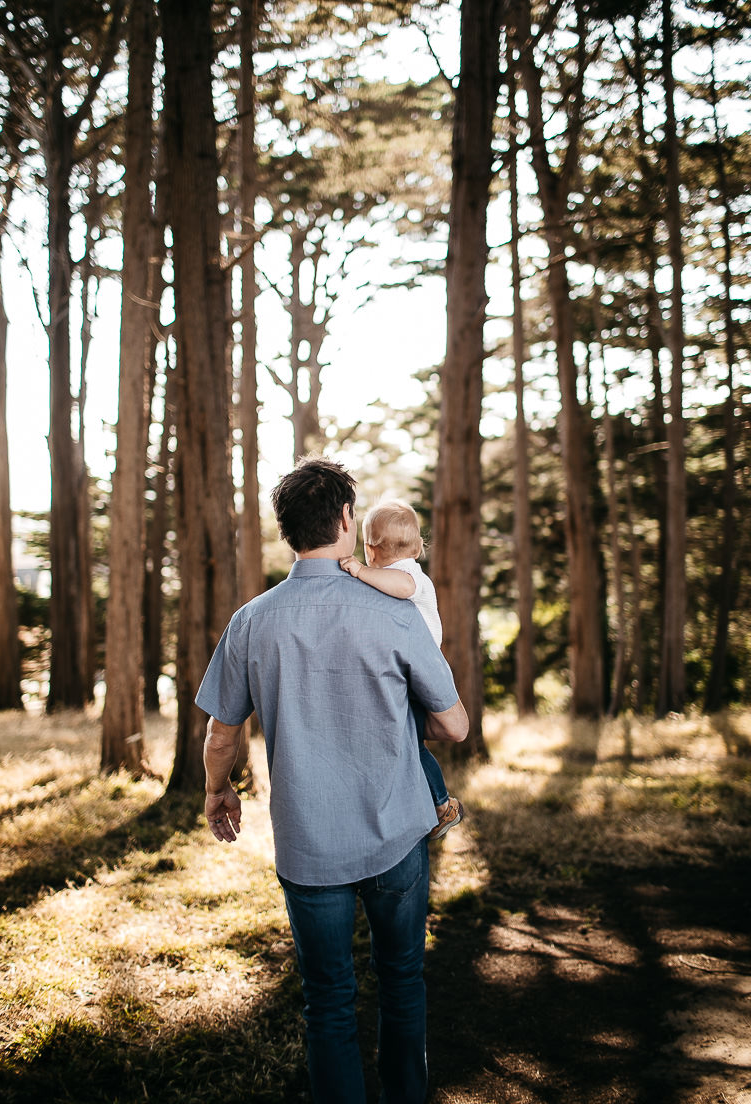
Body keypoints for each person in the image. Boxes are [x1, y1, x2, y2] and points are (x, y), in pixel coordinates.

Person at [196, 455, 469, 1104]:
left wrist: (217, 790)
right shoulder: (394, 607)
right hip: (396, 835)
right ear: (347, 520)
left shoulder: (252, 621)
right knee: (402, 984)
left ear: (289, 530)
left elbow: (222, 734)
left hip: (308, 845)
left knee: (327, 1001)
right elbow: (454, 726)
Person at [339, 498, 464, 841]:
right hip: (414, 669)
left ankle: (442, 805)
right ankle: (431, 803)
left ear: (370, 549)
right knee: (405, 740)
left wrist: (362, 572)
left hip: (421, 671)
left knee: (409, 743)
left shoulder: (409, 574)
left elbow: (404, 588)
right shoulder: (400, 572)